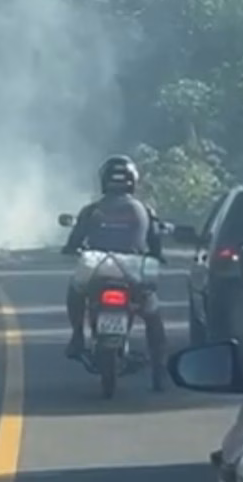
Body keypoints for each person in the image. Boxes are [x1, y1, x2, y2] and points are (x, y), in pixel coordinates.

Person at [60, 154, 168, 391]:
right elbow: (155, 242)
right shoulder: (144, 210)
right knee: (152, 315)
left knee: (75, 291)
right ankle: (159, 366)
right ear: (133, 181)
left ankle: (78, 336)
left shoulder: (91, 210)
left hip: (97, 269)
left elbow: (74, 240)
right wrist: (158, 255)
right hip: (133, 273)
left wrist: (69, 249)